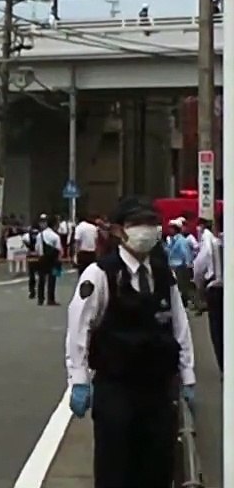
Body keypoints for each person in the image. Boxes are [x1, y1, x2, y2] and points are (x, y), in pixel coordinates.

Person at [65, 196, 196, 488]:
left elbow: (180, 327)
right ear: (118, 230)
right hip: (117, 388)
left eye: (151, 223)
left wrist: (187, 375)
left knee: (157, 469)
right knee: (116, 471)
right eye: (137, 223)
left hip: (159, 390)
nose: (146, 230)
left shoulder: (163, 274)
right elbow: (79, 328)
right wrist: (79, 379)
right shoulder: (101, 274)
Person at [193, 218, 224, 372]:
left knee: (218, 330)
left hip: (217, 290)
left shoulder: (212, 242)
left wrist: (200, 287)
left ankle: (224, 366)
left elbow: (199, 266)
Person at [165, 218, 195, 308]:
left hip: (180, 267)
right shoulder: (172, 240)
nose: (169, 230)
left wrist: (188, 265)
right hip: (173, 267)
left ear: (175, 229)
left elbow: (186, 253)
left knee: (182, 287)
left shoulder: (181, 240)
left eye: (171, 228)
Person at [36, 216, 61, 306]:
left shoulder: (40, 235)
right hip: (53, 259)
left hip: (42, 258)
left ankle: (40, 299)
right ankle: (51, 299)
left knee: (41, 279)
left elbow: (37, 248)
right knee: (52, 279)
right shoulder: (55, 236)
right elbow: (58, 249)